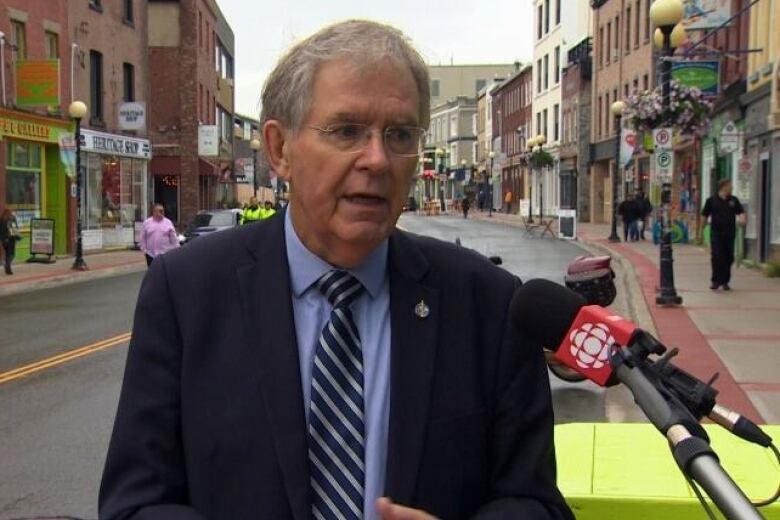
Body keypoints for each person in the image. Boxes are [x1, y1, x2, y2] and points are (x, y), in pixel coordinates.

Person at [99, 20, 573, 520]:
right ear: (280, 150)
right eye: (347, 131)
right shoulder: (186, 293)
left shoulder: (490, 304)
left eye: (399, 135)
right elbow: (137, 504)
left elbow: (535, 504)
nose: (377, 159)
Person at [702, 179, 745, 291]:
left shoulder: (733, 200)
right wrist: (701, 229)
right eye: (730, 186)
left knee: (728, 257)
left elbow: (741, 212)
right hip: (716, 233)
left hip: (730, 233)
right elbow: (705, 215)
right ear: (724, 187)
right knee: (717, 257)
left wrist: (742, 219)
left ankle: (725, 281)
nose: (732, 188)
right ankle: (716, 281)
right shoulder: (711, 200)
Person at [0, 208, 20, 275]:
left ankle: (7, 267)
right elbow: (15, 229)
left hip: (4, 240)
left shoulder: (2, 219)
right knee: (12, 254)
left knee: (7, 254)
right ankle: (7, 266)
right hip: (11, 239)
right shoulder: (11, 219)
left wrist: (2, 239)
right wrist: (17, 237)